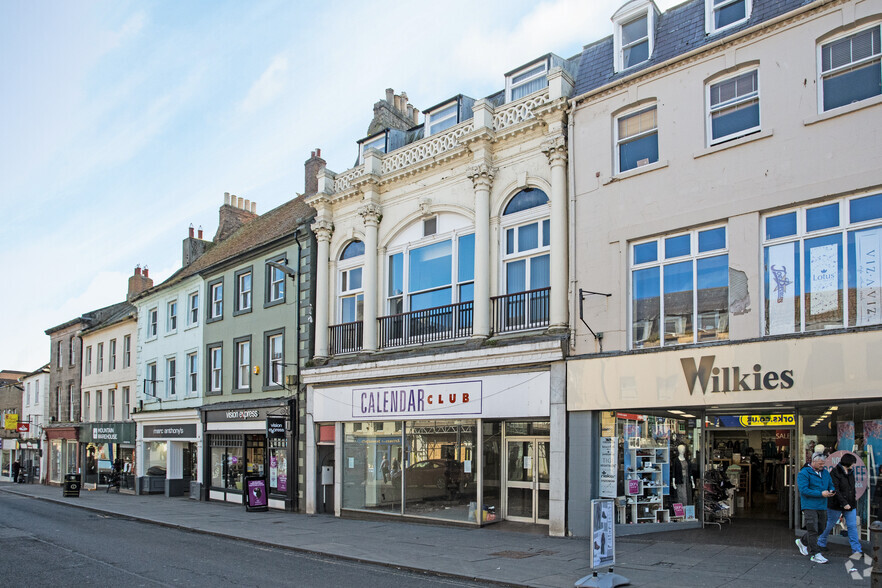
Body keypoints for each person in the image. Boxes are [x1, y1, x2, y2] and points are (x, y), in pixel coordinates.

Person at [818, 452, 862, 557]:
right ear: (848, 462)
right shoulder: (835, 472)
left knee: (852, 526)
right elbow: (835, 489)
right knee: (829, 524)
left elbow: (852, 488)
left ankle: (856, 550)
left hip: (849, 503)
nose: (853, 465)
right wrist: (844, 503)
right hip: (836, 504)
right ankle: (820, 542)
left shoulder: (850, 472)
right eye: (853, 463)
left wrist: (851, 502)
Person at [796, 452, 835, 563]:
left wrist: (832, 490)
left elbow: (831, 484)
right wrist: (821, 494)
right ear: (813, 462)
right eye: (820, 463)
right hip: (809, 505)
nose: (822, 465)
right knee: (813, 529)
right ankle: (815, 554)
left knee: (821, 528)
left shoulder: (826, 473)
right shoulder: (804, 473)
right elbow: (803, 490)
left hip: (822, 505)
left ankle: (802, 541)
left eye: (823, 463)